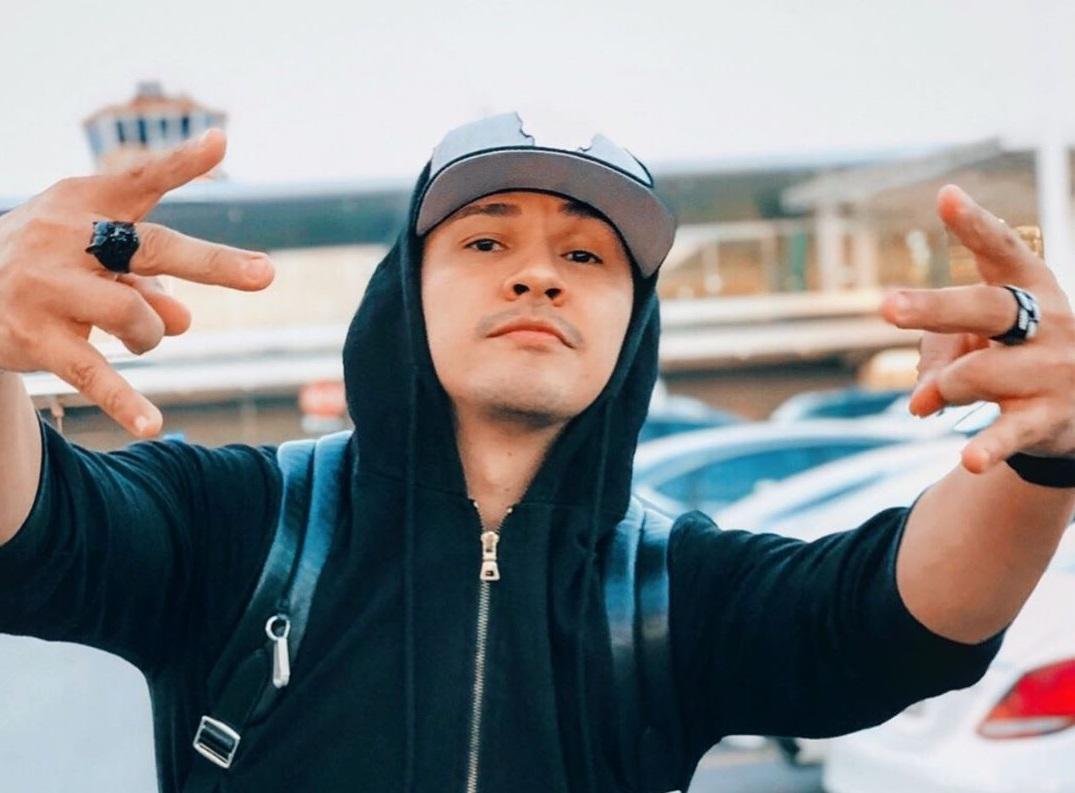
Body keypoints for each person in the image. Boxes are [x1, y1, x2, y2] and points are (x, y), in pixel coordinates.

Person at [1, 113, 1074, 793]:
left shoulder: (674, 589)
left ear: (632, 325)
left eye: (587, 255)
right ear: (404, 294)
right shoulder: (240, 522)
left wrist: (1050, 454)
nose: (538, 274)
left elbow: (892, 626)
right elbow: (36, 535)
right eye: (485, 239)